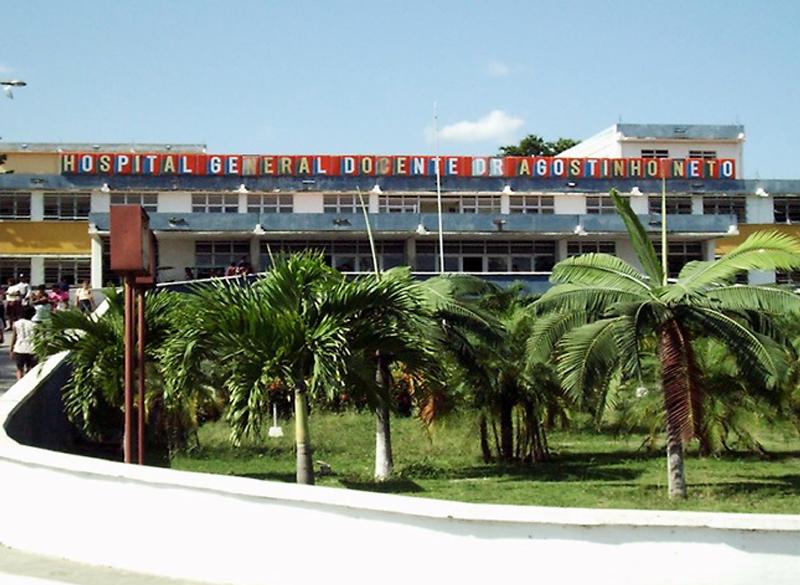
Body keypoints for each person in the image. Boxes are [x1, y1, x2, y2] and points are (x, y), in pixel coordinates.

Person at [10, 306, 37, 380]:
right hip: (32, 349)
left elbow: (14, 337)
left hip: (19, 348)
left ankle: (19, 383)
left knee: (19, 369)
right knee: (30, 368)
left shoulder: (16, 323)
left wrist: (11, 349)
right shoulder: (35, 325)